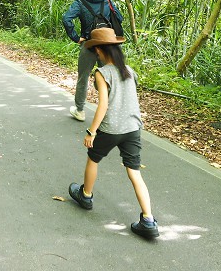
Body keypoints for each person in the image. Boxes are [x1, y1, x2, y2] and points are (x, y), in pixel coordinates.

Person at [67, 27, 159, 239]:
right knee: (134, 172)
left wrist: (91, 131)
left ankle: (86, 195)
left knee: (93, 158)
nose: (96, 54)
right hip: (133, 128)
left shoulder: (102, 72)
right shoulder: (129, 70)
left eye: (96, 50)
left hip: (111, 129)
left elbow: (103, 106)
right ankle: (148, 220)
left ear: (99, 50)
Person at [61, 0, 123, 121]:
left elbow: (66, 18)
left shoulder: (80, 2)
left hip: (89, 44)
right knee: (109, 77)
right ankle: (110, 112)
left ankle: (80, 110)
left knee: (83, 78)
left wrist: (76, 37)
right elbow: (119, 17)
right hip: (107, 44)